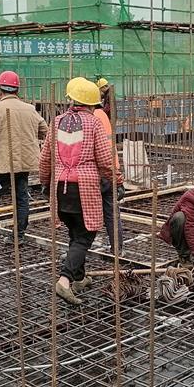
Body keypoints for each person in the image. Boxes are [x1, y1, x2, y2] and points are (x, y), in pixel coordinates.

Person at [41, 77, 115, 305]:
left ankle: (79, 278)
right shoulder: (93, 123)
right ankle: (64, 281)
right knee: (85, 235)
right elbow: (105, 159)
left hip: (60, 188)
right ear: (92, 104)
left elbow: (45, 158)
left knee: (75, 232)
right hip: (83, 188)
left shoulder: (56, 122)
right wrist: (117, 181)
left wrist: (45, 183)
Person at [0, 71, 48, 249]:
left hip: (1, 166)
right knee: (21, 199)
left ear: (0, 89)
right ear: (17, 89)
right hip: (24, 165)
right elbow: (45, 131)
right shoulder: (29, 109)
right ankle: (18, 236)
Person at [93, 102, 125, 254]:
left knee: (86, 213)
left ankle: (79, 250)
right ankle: (117, 249)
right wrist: (118, 179)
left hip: (95, 173)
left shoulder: (88, 118)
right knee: (112, 213)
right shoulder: (102, 115)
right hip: (111, 171)